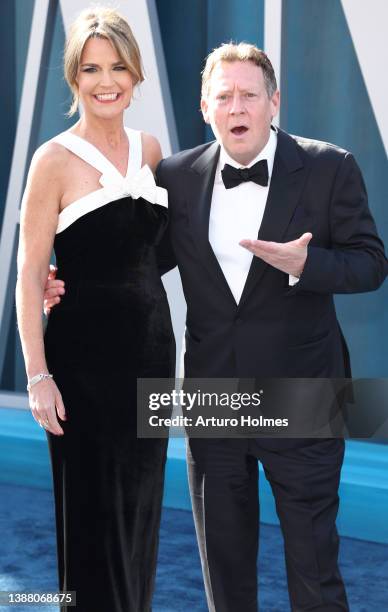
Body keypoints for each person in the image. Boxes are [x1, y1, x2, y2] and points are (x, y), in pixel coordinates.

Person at [45, 43, 388, 611]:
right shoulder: (177, 175)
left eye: (250, 95)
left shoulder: (330, 166)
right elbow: (138, 263)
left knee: (315, 574)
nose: (238, 107)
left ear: (273, 102)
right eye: (224, 96)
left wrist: (310, 265)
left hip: (305, 395)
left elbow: (372, 264)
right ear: (205, 107)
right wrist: (68, 279)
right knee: (224, 581)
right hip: (213, 400)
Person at [16, 7, 175, 612]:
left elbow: (146, 257)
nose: (106, 81)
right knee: (92, 525)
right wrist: (37, 376)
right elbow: (31, 274)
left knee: (140, 522)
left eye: (117, 67)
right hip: (84, 365)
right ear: (73, 78)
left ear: (136, 74)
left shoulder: (151, 149)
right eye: (91, 69)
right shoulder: (51, 160)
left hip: (154, 358)